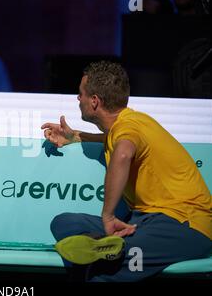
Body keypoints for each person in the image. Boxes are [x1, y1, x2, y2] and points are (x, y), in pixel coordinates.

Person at [42, 61, 211, 282]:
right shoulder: (127, 125)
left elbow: (123, 153)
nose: (78, 98)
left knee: (104, 272)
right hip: (143, 221)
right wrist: (75, 136)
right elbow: (113, 140)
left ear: (95, 101)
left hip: (185, 225)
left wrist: (108, 216)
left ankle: (108, 254)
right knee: (65, 222)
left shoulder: (129, 128)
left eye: (80, 93)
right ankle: (101, 248)